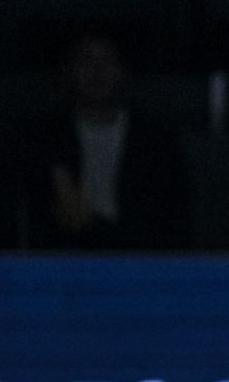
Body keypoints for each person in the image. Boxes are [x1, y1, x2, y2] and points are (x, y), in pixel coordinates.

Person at [25, 30, 190, 249]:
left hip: (135, 257)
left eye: (107, 60)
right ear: (67, 71)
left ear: (124, 71)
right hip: (63, 256)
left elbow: (163, 220)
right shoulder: (44, 136)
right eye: (86, 60)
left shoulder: (153, 141)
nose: (97, 71)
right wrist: (57, 180)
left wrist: (96, 228)